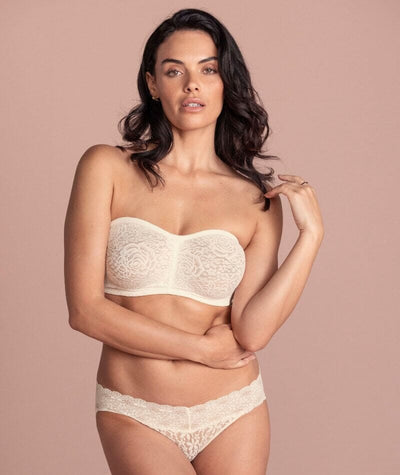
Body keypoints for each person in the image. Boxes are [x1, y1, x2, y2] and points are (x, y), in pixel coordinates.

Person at [64, 8, 324, 475]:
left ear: (226, 82)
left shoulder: (255, 200)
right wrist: (200, 349)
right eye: (174, 71)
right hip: (135, 409)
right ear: (152, 84)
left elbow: (252, 332)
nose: (192, 85)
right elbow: (85, 311)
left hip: (233, 409)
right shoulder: (105, 167)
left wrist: (311, 237)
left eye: (208, 70)